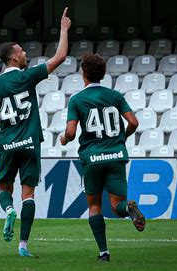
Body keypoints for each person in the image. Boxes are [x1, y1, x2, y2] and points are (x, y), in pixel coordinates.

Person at [0, 7, 71, 257]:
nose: (25, 53)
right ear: (13, 59)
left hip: (7, 143)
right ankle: (23, 245)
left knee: (4, 190)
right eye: (21, 51)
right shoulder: (28, 76)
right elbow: (60, 56)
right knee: (28, 194)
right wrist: (63, 29)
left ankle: (9, 211)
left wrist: (1, 123)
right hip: (30, 143)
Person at [60, 53, 146, 263]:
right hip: (116, 156)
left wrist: (64, 138)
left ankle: (104, 253)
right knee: (118, 206)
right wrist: (120, 139)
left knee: (95, 206)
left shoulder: (77, 100)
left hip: (92, 159)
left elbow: (71, 133)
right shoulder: (114, 95)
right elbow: (133, 122)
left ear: (84, 74)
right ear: (103, 74)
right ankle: (129, 209)